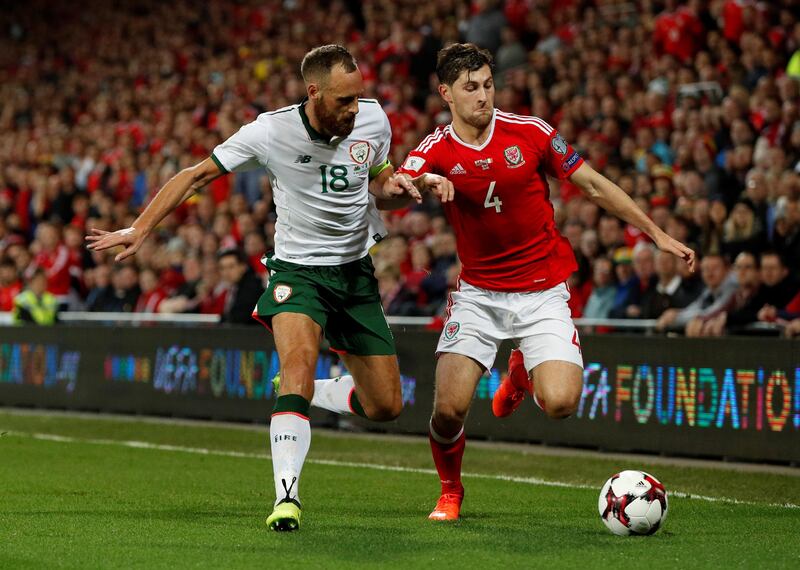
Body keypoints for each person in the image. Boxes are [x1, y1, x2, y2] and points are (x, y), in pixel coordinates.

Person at [86, 44, 451, 532]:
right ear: (313, 91)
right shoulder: (269, 130)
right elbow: (195, 176)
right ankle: (287, 497)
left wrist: (408, 185)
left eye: (358, 97)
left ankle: (311, 393)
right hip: (298, 272)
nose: (352, 109)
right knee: (297, 362)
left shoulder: (371, 119)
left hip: (354, 273)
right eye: (343, 100)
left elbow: (378, 180)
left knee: (385, 406)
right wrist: (142, 227)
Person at [394, 44, 695, 521]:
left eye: (489, 84)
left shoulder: (531, 133)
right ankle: (451, 490)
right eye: (471, 88)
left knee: (559, 403)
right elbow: (392, 191)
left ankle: (519, 373)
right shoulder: (435, 149)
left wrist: (655, 233)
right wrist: (424, 184)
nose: (484, 96)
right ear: (446, 93)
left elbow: (593, 184)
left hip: (541, 292)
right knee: (448, 410)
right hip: (479, 295)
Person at [217, 249, 264, 325]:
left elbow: (239, 319)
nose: (226, 272)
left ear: (243, 266)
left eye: (231, 267)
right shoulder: (235, 287)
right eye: (222, 268)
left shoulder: (251, 288)